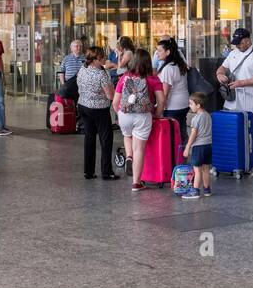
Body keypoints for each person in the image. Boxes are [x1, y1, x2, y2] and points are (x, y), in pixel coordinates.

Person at [113, 48, 164, 190]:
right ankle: (136, 182)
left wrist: (120, 114)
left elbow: (115, 102)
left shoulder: (124, 77)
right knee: (139, 150)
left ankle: (128, 156)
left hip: (125, 114)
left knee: (127, 135)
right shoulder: (153, 78)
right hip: (143, 115)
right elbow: (161, 100)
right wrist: (157, 115)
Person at [218, 27, 253, 166]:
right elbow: (222, 68)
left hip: (250, 105)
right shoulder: (233, 53)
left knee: (248, 137)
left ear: (248, 41)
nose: (238, 45)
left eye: (240, 43)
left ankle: (245, 164)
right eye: (236, 43)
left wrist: (242, 83)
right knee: (229, 134)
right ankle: (230, 163)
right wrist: (220, 75)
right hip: (231, 103)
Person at [76, 46, 118, 181]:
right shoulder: (101, 74)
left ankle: (88, 171)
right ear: (95, 60)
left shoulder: (83, 68)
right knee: (105, 140)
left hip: (83, 106)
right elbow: (110, 95)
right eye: (102, 58)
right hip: (99, 109)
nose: (105, 59)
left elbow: (79, 85)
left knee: (89, 138)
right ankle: (106, 172)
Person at [155, 37, 190, 145]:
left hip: (172, 107)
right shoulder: (179, 64)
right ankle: (183, 157)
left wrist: (158, 112)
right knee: (182, 132)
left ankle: (175, 159)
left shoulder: (168, 69)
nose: (157, 53)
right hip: (184, 103)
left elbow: (164, 94)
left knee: (173, 137)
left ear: (168, 52)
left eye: (160, 50)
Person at [182, 92, 213, 199]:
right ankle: (207, 189)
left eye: (191, 104)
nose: (190, 106)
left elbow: (193, 134)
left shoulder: (196, 118)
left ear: (198, 105)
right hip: (208, 145)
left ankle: (195, 191)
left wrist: (187, 147)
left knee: (197, 169)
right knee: (205, 168)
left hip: (198, 146)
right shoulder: (208, 115)